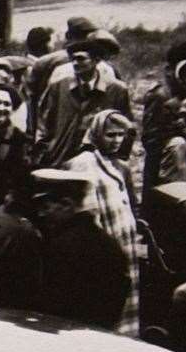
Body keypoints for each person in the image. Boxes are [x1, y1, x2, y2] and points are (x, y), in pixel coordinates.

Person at [63, 109, 143, 336]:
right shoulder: (84, 164)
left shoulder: (121, 166)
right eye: (110, 135)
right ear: (97, 134)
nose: (116, 140)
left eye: (121, 135)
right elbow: (87, 211)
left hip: (126, 245)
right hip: (105, 245)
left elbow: (131, 204)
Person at [27, 168, 130, 329]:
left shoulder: (60, 246)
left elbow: (49, 306)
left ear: (67, 204)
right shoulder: (109, 244)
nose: (40, 214)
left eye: (45, 207)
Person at [33, 31, 130, 168]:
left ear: (96, 60)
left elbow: (126, 127)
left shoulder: (116, 90)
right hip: (60, 157)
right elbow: (43, 122)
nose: (75, 63)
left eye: (81, 59)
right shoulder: (59, 86)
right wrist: (45, 149)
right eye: (72, 59)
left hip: (100, 161)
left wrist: (119, 160)